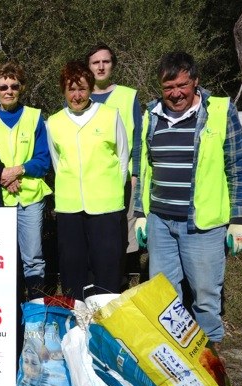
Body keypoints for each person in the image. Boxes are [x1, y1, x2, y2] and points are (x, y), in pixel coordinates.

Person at [134, 51, 242, 347]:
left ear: (196, 82)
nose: (175, 94)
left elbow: (239, 167)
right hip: (160, 222)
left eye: (182, 86)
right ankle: (173, 352)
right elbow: (143, 168)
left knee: (204, 294)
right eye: (168, 87)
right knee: (163, 292)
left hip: (203, 225)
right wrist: (140, 212)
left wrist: (240, 220)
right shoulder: (151, 115)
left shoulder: (220, 112)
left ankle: (210, 352)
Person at [46, 61, 129, 300]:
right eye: (71, 89)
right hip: (70, 207)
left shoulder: (110, 116)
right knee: (73, 264)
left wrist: (109, 187)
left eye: (82, 88)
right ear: (63, 91)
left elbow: (122, 158)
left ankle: (105, 318)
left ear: (91, 89)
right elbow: (57, 162)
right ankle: (77, 318)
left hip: (106, 205)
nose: (77, 95)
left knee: (107, 264)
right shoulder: (54, 122)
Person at [0, 61, 52, 300]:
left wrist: (17, 171)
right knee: (3, 260)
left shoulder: (35, 117)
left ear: (21, 88)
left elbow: (43, 160)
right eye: (3, 86)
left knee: (33, 259)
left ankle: (35, 311)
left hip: (30, 199)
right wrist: (2, 176)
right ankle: (8, 310)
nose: (8, 91)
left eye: (14, 86)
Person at [86, 43, 144, 282]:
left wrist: (136, 173)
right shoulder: (79, 95)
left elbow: (139, 138)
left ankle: (120, 283)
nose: (101, 66)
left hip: (123, 180)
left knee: (123, 235)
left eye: (105, 61)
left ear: (113, 65)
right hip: (89, 181)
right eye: (95, 62)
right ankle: (96, 284)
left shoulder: (128, 96)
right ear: (88, 67)